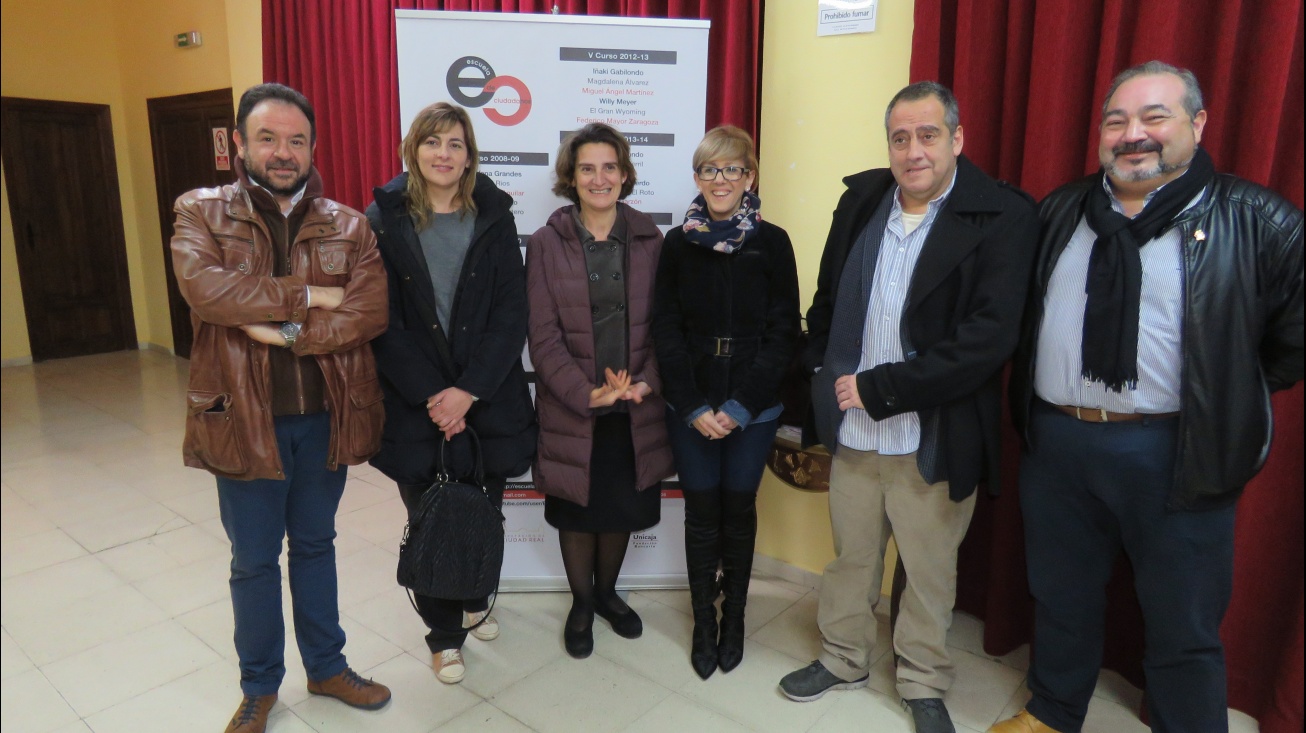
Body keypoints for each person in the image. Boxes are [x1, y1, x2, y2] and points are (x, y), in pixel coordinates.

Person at [991, 61, 1303, 733]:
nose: (1133, 134)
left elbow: (1286, 350)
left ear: (1197, 124)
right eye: (1116, 120)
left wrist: (1215, 397)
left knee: (1183, 619)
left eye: (1153, 116)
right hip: (1058, 443)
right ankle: (1051, 712)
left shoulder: (1261, 221)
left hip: (1178, 452)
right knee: (1060, 595)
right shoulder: (1061, 210)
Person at [777, 81, 1039, 733]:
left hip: (935, 430)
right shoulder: (864, 200)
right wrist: (821, 371)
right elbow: (828, 299)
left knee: (927, 571)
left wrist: (882, 386)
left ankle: (922, 678)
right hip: (856, 429)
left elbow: (989, 337)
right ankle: (843, 657)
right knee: (851, 559)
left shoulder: (1001, 215)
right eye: (900, 137)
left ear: (957, 138)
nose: (912, 150)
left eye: (927, 134)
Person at [170, 83, 391, 733]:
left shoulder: (349, 224)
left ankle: (326, 666)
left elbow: (369, 308)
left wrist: (284, 329)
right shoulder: (200, 212)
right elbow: (208, 291)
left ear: (313, 147)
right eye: (268, 137)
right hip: (241, 420)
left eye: (296, 140)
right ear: (240, 143)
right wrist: (315, 295)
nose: (283, 151)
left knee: (317, 546)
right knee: (254, 560)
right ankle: (260, 685)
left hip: (326, 417)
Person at [365, 102, 537, 686]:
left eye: (456, 143)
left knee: (483, 511)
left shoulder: (492, 214)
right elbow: (380, 320)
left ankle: (472, 599)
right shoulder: (384, 218)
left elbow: (512, 312)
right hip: (416, 403)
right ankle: (443, 637)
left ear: (470, 155)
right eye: (433, 142)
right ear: (413, 148)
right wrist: (436, 396)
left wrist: (468, 392)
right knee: (433, 518)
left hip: (486, 397)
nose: (445, 153)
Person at [652, 125, 801, 678]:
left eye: (733, 169)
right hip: (690, 399)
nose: (721, 180)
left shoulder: (773, 242)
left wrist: (740, 407)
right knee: (701, 514)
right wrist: (691, 404)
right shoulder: (676, 243)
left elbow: (785, 332)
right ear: (697, 177)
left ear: (750, 177)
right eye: (710, 170)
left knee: (737, 511)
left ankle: (734, 618)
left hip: (753, 403)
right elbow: (664, 328)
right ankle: (702, 622)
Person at [526, 122, 676, 659]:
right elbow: (541, 336)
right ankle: (582, 603)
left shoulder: (650, 239)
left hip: (634, 404)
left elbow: (666, 328)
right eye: (587, 167)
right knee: (578, 509)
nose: (599, 177)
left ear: (625, 173)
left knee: (619, 504)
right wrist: (584, 394)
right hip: (576, 405)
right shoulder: (546, 243)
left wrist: (645, 384)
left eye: (609, 166)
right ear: (571, 176)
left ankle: (609, 593)